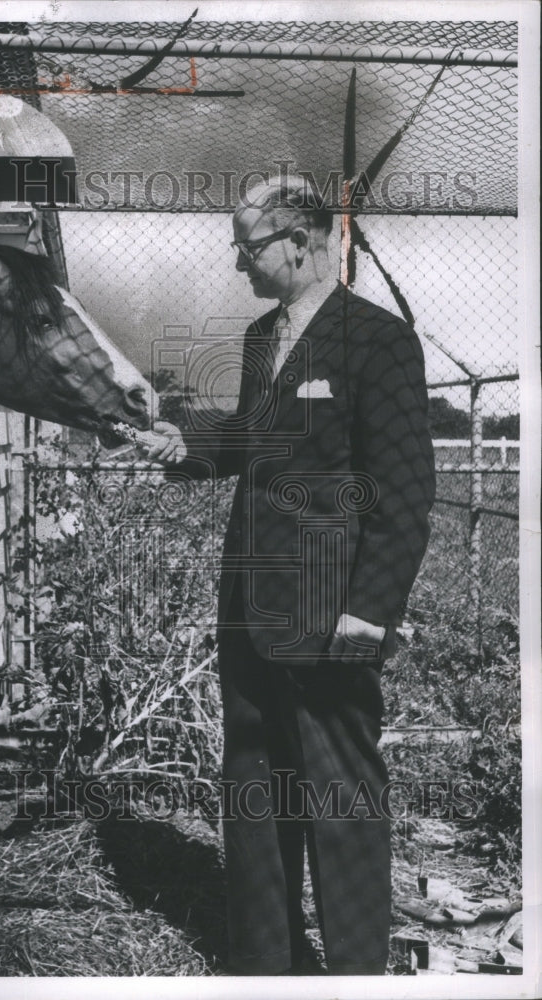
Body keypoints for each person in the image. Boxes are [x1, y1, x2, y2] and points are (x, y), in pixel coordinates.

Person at [143, 176, 436, 975]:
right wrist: (186, 443)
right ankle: (264, 967)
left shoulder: (377, 342)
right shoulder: (258, 338)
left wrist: (368, 614)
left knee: (340, 801)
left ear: (301, 244)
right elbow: (251, 438)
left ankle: (353, 976)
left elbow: (407, 493)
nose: (238, 263)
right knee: (254, 793)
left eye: (248, 247)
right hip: (248, 607)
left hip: (330, 616)